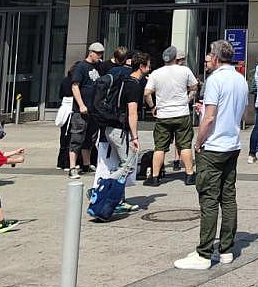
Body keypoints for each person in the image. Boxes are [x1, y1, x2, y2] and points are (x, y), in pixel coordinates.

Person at [175, 39, 248, 270]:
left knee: (208, 199)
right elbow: (240, 111)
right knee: (228, 197)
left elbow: (210, 117)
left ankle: (204, 253)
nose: (207, 58)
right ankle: (226, 249)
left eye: (209, 55)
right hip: (232, 144)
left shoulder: (215, 80)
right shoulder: (240, 79)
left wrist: (198, 142)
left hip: (213, 146)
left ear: (216, 57)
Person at [91, 52, 149, 222]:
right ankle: (102, 187)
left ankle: (116, 199)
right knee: (128, 165)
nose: (150, 68)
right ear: (142, 66)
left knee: (120, 164)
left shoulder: (123, 80)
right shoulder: (134, 85)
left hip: (111, 127)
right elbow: (132, 112)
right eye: (148, 65)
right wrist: (135, 137)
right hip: (120, 130)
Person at [144, 45, 197, 185]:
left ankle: (154, 177)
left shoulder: (156, 73)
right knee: (185, 145)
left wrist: (153, 107)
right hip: (181, 113)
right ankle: (189, 175)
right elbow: (194, 87)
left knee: (160, 147)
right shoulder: (185, 71)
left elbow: (147, 93)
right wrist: (187, 99)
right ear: (175, 58)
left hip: (163, 114)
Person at [65, 43, 106, 178]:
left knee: (90, 138)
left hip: (94, 109)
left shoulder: (99, 67)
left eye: (101, 53)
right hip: (81, 110)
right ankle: (72, 167)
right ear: (91, 52)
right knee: (77, 138)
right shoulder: (81, 67)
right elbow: (75, 86)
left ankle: (86, 164)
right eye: (97, 53)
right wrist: (81, 105)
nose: (99, 56)